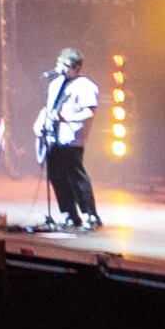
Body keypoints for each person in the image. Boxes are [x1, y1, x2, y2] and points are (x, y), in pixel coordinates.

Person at [38, 44, 103, 229]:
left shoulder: (86, 86)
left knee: (76, 176)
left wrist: (67, 118)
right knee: (56, 175)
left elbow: (89, 112)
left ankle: (91, 215)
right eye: (60, 63)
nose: (61, 68)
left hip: (72, 138)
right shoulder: (55, 84)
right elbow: (48, 108)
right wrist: (39, 122)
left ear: (76, 68)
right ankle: (69, 214)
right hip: (54, 137)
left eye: (65, 66)